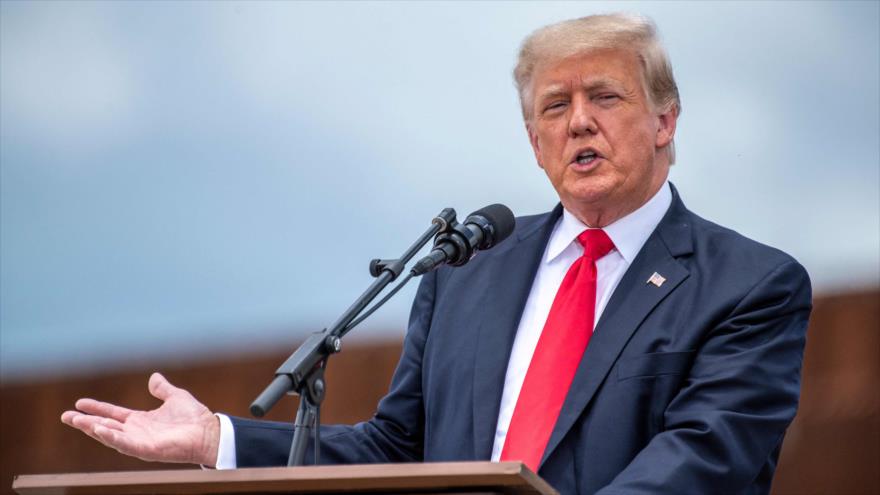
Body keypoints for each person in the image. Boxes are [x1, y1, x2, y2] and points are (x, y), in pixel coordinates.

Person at [62, 13, 812, 494]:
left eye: (605, 98)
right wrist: (217, 438)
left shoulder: (750, 285)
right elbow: (396, 448)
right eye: (556, 106)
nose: (579, 121)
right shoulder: (469, 269)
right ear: (534, 142)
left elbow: (703, 462)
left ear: (664, 121)